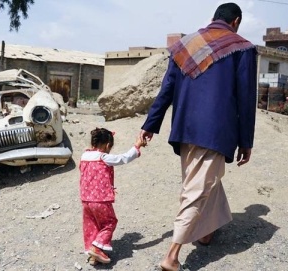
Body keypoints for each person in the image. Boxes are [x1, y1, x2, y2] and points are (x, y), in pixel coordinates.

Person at [138, 3, 257, 270]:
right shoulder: (242, 47)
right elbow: (246, 98)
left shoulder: (185, 45)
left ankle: (206, 232)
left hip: (184, 128)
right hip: (216, 132)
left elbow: (166, 89)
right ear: (236, 21)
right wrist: (246, 141)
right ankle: (172, 255)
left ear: (213, 18)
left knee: (203, 181)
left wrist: (150, 124)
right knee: (196, 188)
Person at [79, 128, 146, 265]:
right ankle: (97, 248)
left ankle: (93, 255)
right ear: (108, 145)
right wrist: (137, 145)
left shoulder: (84, 156)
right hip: (101, 200)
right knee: (109, 222)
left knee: (92, 225)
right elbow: (124, 158)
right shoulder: (104, 157)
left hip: (86, 200)